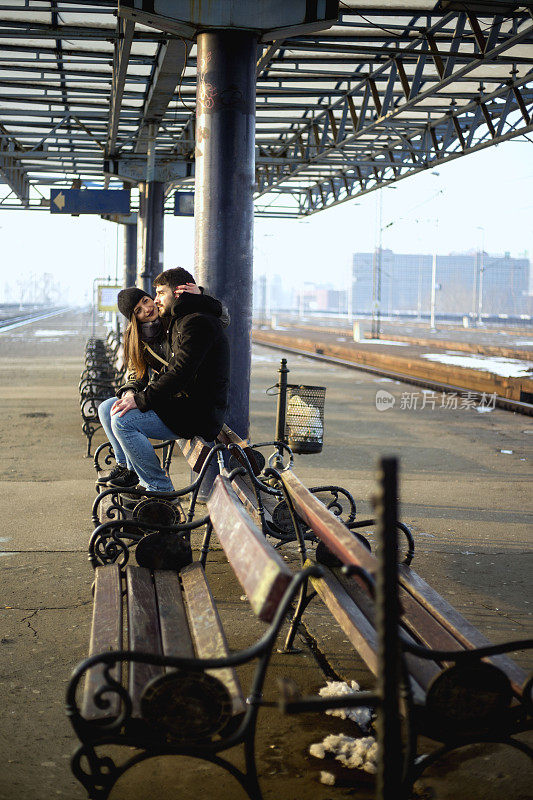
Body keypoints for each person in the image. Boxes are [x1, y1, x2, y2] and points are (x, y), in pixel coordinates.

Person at [97, 268, 230, 494]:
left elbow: (221, 319)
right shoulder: (139, 338)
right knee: (107, 408)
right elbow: (136, 373)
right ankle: (127, 468)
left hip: (188, 404)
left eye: (147, 300)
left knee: (123, 420)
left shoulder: (179, 318)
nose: (149, 307)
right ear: (133, 318)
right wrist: (131, 393)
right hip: (175, 398)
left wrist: (199, 295)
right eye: (138, 310)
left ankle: (158, 488)